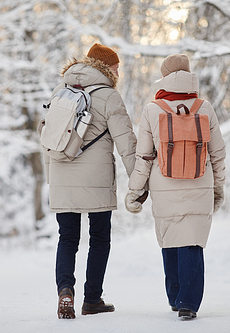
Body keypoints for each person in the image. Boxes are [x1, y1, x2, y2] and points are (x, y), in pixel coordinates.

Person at [125, 54, 226, 320]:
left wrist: (135, 191)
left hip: (164, 185)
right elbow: (218, 154)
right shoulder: (205, 108)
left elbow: (144, 157)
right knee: (192, 240)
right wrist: (218, 187)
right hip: (199, 183)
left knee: (170, 238)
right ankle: (188, 303)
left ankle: (174, 297)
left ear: (165, 76)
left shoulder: (152, 109)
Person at [42, 43, 137, 319]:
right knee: (99, 238)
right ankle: (92, 298)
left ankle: (65, 291)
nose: (119, 72)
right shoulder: (109, 96)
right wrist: (138, 182)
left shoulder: (60, 91)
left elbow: (47, 139)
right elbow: (127, 144)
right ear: (105, 67)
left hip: (61, 175)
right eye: (116, 67)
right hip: (96, 180)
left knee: (67, 237)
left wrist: (51, 176)